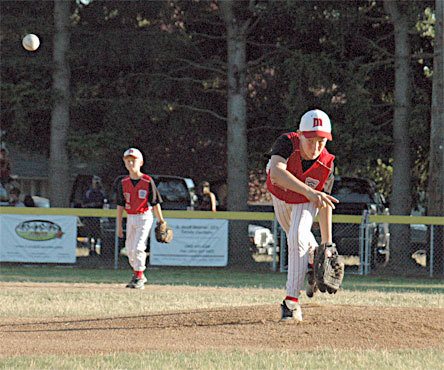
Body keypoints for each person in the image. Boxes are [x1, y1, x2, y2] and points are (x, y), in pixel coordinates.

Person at [266, 109, 339, 322]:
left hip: (304, 201)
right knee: (294, 234)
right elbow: (277, 174)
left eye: (322, 141)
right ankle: (311, 260)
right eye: (311, 140)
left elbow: (324, 204)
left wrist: (328, 245)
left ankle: (291, 302)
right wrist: (308, 191)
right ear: (300, 135)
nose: (316, 146)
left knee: (297, 235)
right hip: (280, 195)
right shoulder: (287, 143)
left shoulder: (326, 163)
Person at [116, 147, 165, 289]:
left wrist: (161, 220)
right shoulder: (123, 182)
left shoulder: (147, 181)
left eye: (133, 161)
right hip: (130, 217)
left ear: (141, 162)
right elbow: (120, 205)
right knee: (129, 249)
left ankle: (139, 277)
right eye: (128, 161)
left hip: (144, 216)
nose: (130, 164)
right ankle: (138, 274)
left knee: (138, 247)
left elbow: (155, 203)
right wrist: (119, 226)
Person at [82, 176, 107, 255]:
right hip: (89, 216)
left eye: (98, 180)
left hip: (97, 217)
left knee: (96, 234)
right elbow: (83, 204)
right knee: (89, 233)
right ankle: (90, 249)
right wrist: (91, 204)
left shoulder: (101, 192)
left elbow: (104, 202)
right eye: (95, 180)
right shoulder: (88, 192)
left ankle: (96, 249)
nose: (96, 182)